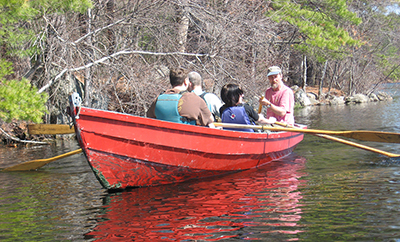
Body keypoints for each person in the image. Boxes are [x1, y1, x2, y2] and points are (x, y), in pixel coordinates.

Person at [146, 67, 214, 127]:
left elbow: (149, 117)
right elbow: (210, 119)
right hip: (186, 139)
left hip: (162, 139)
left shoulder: (158, 100)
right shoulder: (195, 99)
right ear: (185, 82)